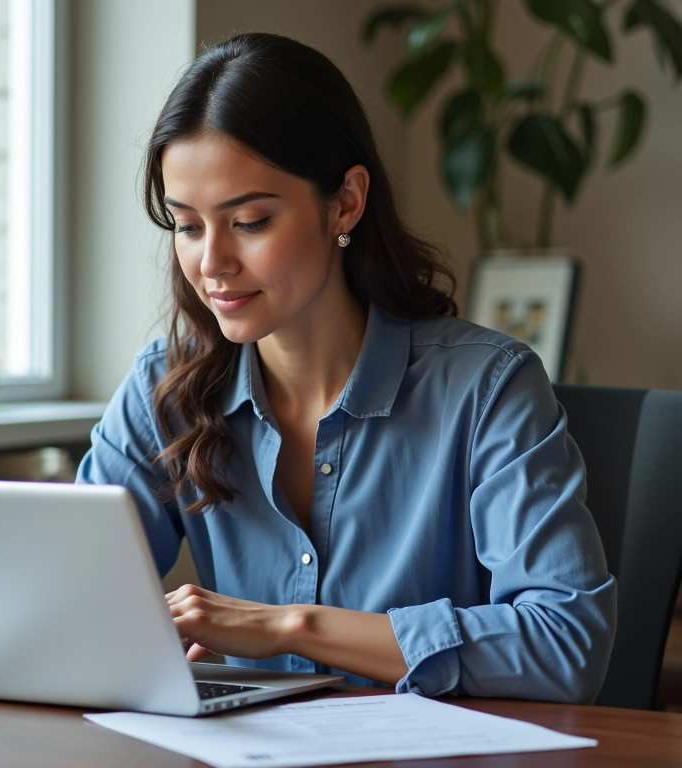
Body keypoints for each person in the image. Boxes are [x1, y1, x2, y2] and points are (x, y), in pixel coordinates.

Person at [76, 32, 616, 702]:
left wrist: (292, 626)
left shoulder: (488, 387)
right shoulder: (167, 389)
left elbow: (566, 644)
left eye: (248, 221)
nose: (211, 263)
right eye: (187, 226)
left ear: (346, 203)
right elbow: (71, 601)